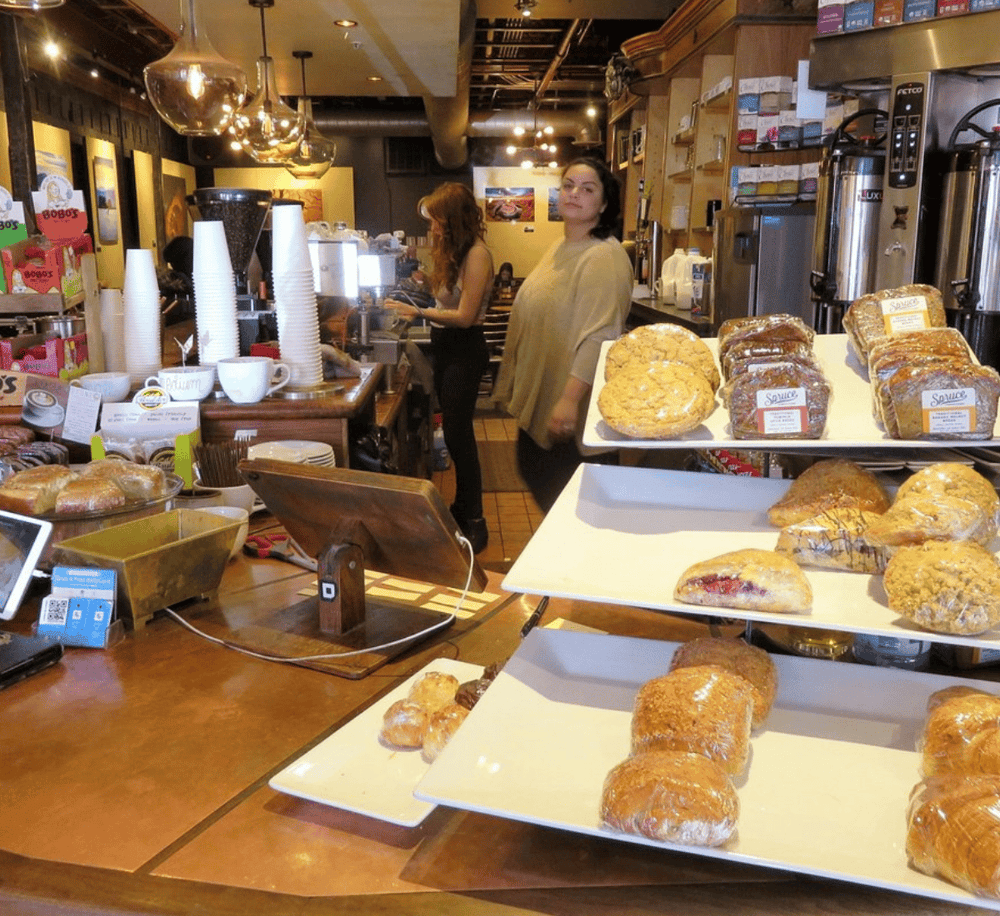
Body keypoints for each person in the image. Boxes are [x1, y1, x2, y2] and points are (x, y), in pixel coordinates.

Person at [493, 157, 633, 513]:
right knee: (543, 487)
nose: (574, 194)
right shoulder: (560, 247)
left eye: (587, 189)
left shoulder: (603, 256)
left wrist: (569, 399)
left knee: (577, 514)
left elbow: (601, 334)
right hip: (546, 402)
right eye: (568, 185)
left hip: (573, 418)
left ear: (604, 204)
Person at [387, 183, 495, 553]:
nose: (432, 228)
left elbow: (465, 317)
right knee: (453, 433)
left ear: (452, 220)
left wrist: (415, 310)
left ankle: (476, 520)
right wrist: (422, 285)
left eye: (436, 221)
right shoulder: (456, 252)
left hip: (465, 347)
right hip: (448, 346)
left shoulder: (478, 255)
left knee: (459, 436)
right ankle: (462, 510)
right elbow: (446, 296)